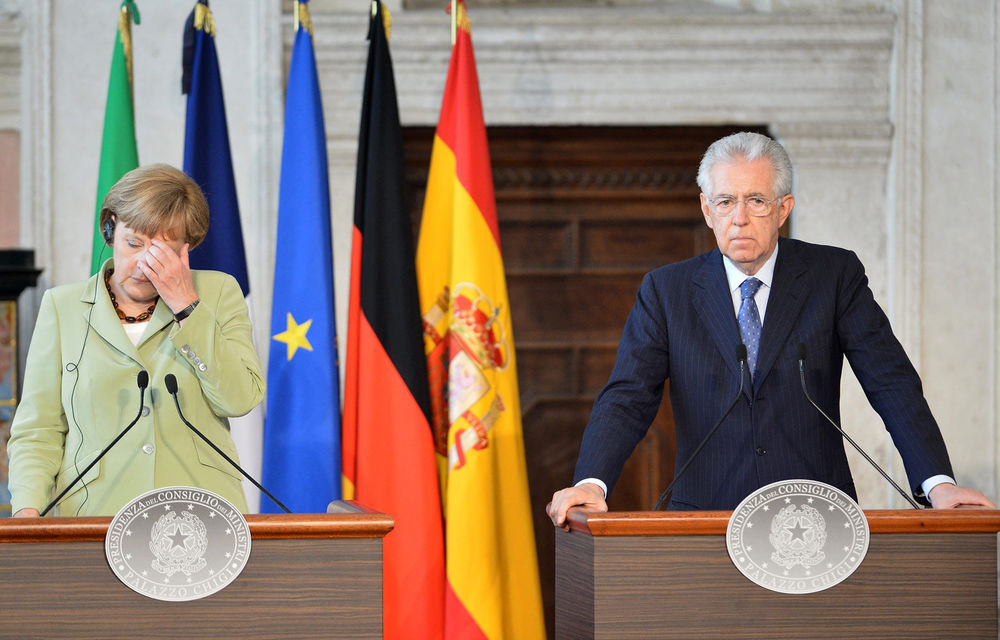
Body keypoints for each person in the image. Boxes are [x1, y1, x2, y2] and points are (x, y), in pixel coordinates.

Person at [548, 132, 994, 525]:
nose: (738, 217)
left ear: (783, 209)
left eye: (755, 201)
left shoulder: (832, 275)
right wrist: (592, 482)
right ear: (707, 210)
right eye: (725, 201)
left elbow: (890, 382)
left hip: (818, 517)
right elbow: (628, 397)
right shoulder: (667, 290)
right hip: (704, 519)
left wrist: (938, 484)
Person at [8, 164, 264, 517]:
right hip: (94, 516)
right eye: (134, 244)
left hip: (201, 514)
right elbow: (39, 430)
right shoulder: (61, 306)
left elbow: (239, 400)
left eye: (163, 251)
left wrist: (187, 307)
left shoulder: (219, 294)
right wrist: (27, 511)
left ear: (187, 249)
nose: (145, 264)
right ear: (110, 229)